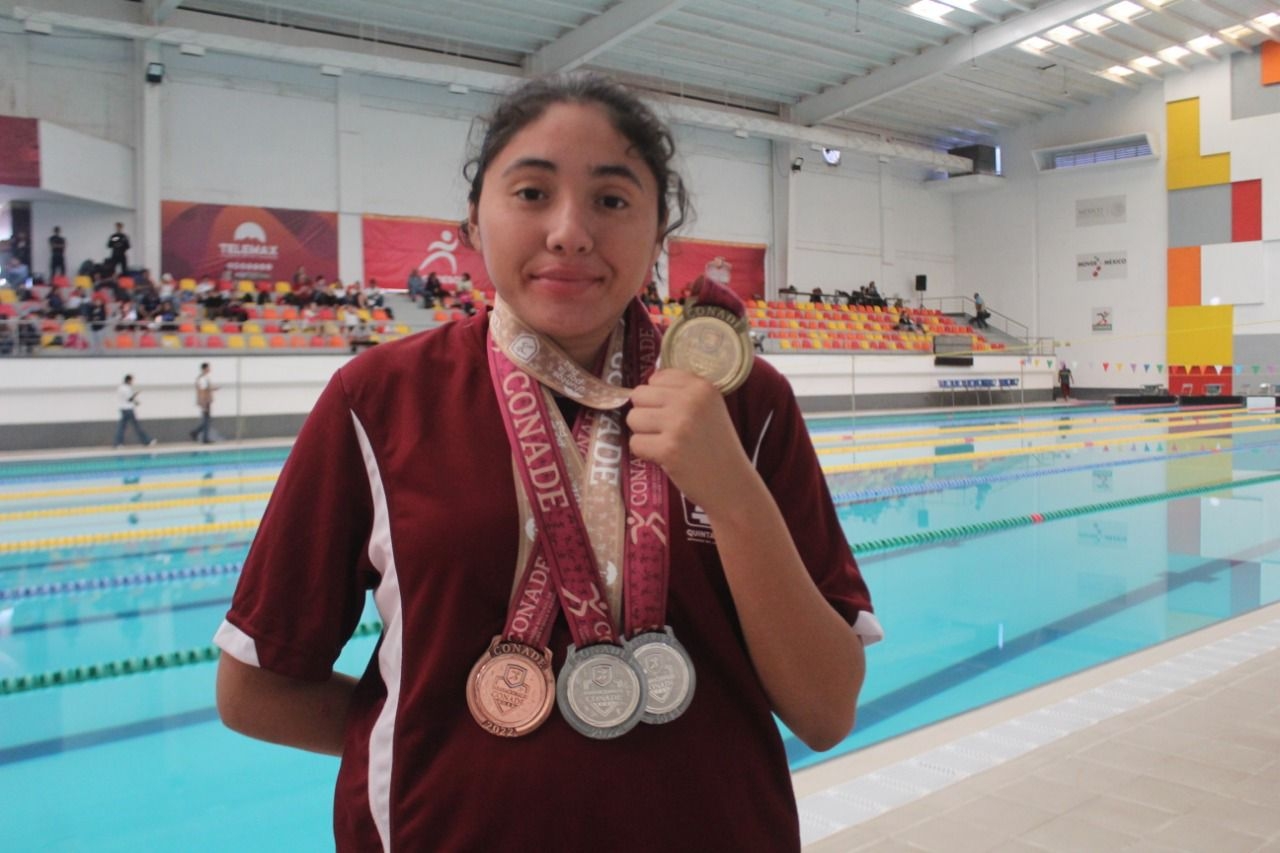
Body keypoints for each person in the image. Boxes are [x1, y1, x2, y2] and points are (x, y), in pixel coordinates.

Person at [213, 73, 878, 852]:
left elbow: (827, 710)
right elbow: (254, 689)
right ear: (473, 220)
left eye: (612, 200)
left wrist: (732, 494)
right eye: (531, 193)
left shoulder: (743, 399)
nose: (570, 231)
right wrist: (451, 733)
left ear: (660, 230)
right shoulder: (381, 399)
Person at [114, 374, 156, 448]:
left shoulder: (120, 388)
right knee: (137, 426)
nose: (132, 382)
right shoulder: (126, 388)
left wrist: (135, 400)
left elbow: (125, 399)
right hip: (128, 409)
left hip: (122, 409)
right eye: (132, 380)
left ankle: (118, 443)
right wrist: (136, 396)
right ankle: (147, 441)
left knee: (121, 427)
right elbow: (130, 399)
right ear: (129, 380)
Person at [190, 362, 216, 443]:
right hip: (205, 402)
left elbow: (206, 389)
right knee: (206, 421)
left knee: (207, 421)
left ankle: (196, 433)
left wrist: (213, 389)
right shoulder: (202, 379)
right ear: (205, 368)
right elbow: (201, 392)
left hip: (206, 401)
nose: (210, 369)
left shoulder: (204, 378)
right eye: (208, 368)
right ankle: (203, 437)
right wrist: (203, 404)